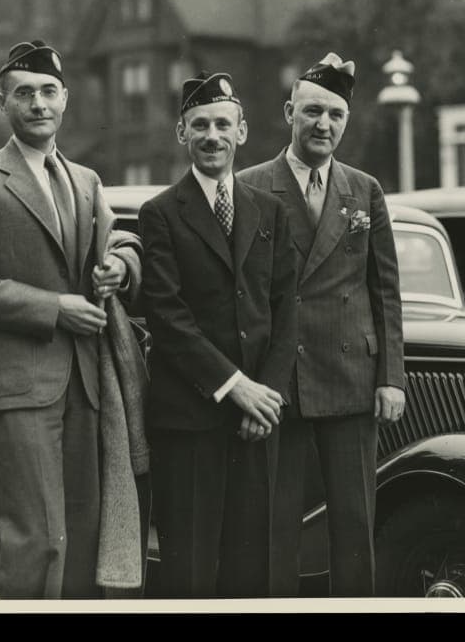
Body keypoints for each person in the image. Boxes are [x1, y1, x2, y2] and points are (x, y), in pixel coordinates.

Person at [0, 40, 142, 598]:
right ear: (2, 102)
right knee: (38, 540)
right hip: (21, 388)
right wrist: (56, 308)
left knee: (81, 536)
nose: (38, 103)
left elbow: (118, 237)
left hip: (85, 385)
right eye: (23, 93)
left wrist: (119, 266)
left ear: (65, 99)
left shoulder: (86, 180)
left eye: (48, 91)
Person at [237, 52, 406, 597]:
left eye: (335, 115)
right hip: (277, 384)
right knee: (273, 526)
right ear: (289, 112)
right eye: (312, 112)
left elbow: (385, 291)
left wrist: (391, 377)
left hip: (350, 379)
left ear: (345, 122)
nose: (323, 125)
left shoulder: (365, 190)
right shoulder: (250, 185)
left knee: (354, 523)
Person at [138, 71, 297, 597]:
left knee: (250, 570)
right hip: (190, 422)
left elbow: (285, 308)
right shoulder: (160, 213)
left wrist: (266, 397)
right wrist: (237, 388)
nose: (212, 136)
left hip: (256, 424)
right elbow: (167, 314)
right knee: (190, 574)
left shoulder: (269, 211)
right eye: (199, 125)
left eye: (222, 124)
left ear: (242, 132)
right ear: (182, 133)